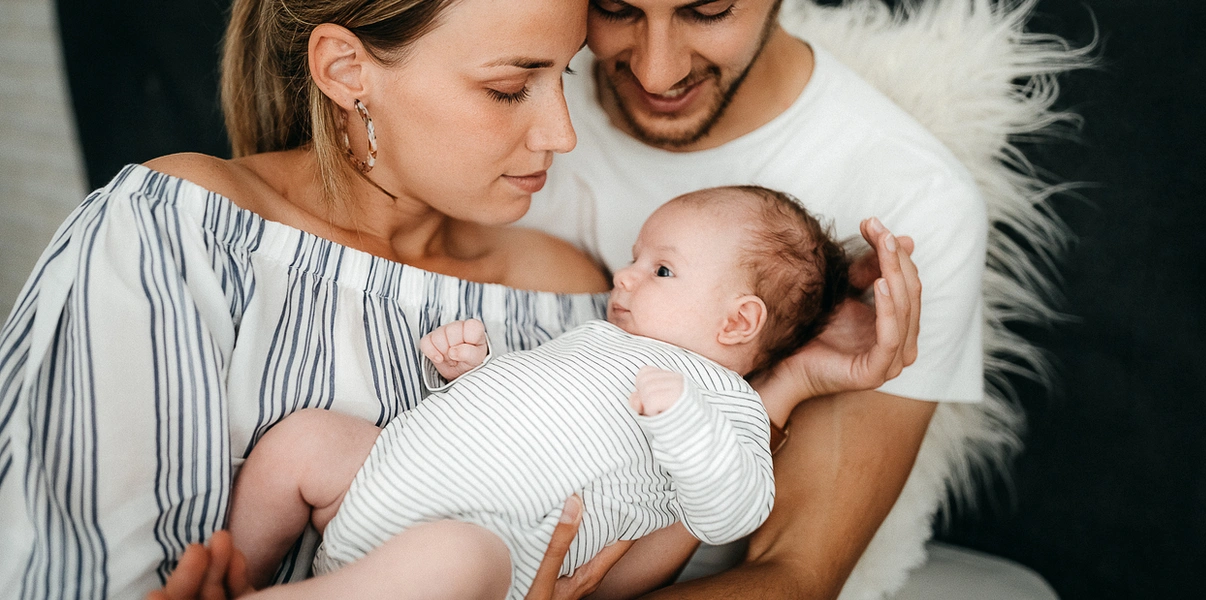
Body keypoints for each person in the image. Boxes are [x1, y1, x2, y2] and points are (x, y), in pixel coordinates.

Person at [0, 0, 919, 598]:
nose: (561, 132)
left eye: (560, 78)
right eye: (510, 87)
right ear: (347, 71)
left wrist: (788, 378)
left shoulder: (568, 289)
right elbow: (59, 562)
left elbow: (655, 500)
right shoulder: (176, 233)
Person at [513, 0, 985, 597]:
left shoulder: (910, 194)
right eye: (616, 7)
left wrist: (789, 376)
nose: (656, 73)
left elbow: (796, 573)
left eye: (708, 10)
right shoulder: (503, 95)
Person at [220, 185, 849, 600]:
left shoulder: (722, 404)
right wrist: (475, 368)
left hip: (482, 551)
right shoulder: (596, 337)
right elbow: (530, 410)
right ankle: (230, 574)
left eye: (661, 269)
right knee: (306, 440)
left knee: (455, 557)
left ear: (738, 322)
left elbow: (732, 512)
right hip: (390, 473)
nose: (625, 275)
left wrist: (685, 423)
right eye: (635, 257)